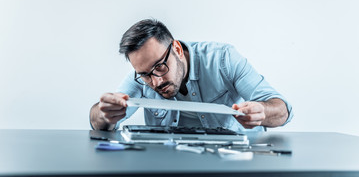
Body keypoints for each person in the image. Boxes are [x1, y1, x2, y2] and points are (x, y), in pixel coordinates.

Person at [90, 19, 293, 132]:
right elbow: (98, 120)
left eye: (160, 66)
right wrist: (105, 114)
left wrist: (262, 112)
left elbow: (283, 110)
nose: (156, 81)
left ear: (177, 49)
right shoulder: (144, 76)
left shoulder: (223, 59)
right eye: (145, 74)